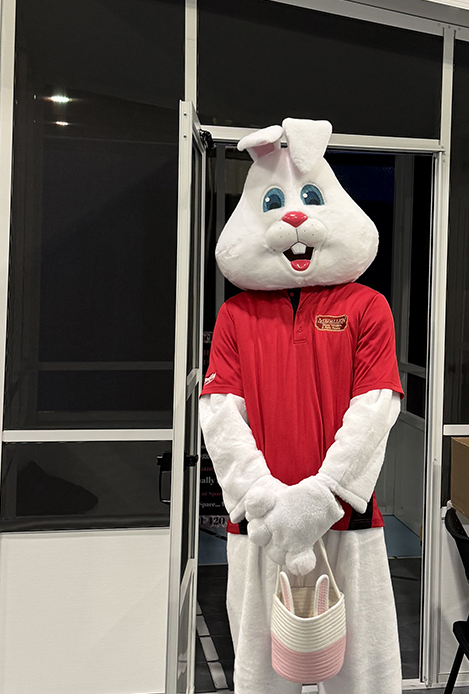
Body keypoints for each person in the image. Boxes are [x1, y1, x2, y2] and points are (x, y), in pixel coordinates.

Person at [199, 119, 404, 693]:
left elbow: (375, 409)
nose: (292, 217)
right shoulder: (236, 315)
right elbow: (220, 414)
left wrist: (321, 497)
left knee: (363, 675)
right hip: (260, 527)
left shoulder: (367, 307)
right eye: (274, 204)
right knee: (263, 674)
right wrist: (265, 500)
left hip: (346, 518)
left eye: (310, 199)